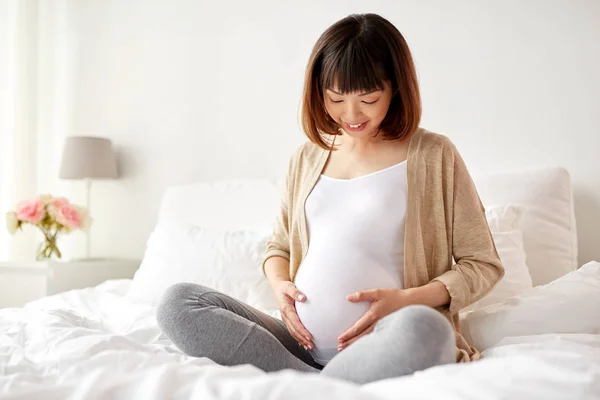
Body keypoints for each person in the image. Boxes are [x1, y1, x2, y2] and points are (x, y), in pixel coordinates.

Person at [156, 13, 504, 385]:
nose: (350, 115)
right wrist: (279, 287)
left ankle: (306, 385)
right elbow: (279, 248)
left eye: (368, 99)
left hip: (387, 340)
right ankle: (317, 381)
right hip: (298, 343)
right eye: (335, 98)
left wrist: (405, 300)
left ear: (396, 89)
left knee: (427, 330)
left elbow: (482, 264)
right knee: (178, 304)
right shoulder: (307, 158)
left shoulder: (434, 155)